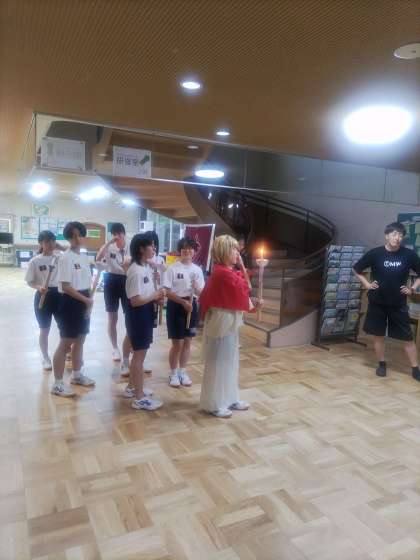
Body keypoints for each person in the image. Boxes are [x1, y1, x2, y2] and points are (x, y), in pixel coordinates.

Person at [199, 234, 262, 417]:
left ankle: (230, 397)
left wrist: (252, 304)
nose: (237, 253)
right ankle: (215, 403)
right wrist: (242, 266)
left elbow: (241, 292)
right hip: (222, 321)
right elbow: (244, 288)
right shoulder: (222, 273)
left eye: (237, 249)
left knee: (230, 361)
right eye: (233, 249)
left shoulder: (226, 271)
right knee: (219, 362)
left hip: (229, 320)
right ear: (223, 251)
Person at [353, 222, 420, 381]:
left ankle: (415, 369)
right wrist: (367, 284)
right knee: (379, 335)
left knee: (407, 338)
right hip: (377, 302)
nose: (397, 238)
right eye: (394, 234)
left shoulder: (409, 255)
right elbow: (356, 269)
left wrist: (412, 288)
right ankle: (382, 364)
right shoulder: (375, 253)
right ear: (387, 235)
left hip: (398, 304)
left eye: (400, 235)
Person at [51, 221, 95, 397]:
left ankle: (76, 375)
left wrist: (88, 301)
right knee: (66, 342)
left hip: (84, 300)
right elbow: (66, 286)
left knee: (80, 339)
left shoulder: (83, 257)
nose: (77, 239)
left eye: (80, 235)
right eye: (73, 236)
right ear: (68, 238)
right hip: (70, 301)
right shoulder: (65, 257)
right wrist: (86, 300)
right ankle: (57, 384)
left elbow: (87, 283)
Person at [124, 233, 165, 411]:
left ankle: (132, 387)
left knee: (140, 354)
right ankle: (139, 398)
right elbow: (135, 300)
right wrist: (155, 295)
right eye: (151, 245)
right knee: (139, 355)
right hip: (138, 315)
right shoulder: (135, 271)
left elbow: (146, 294)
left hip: (146, 312)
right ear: (141, 248)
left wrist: (157, 298)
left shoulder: (145, 267)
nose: (154, 248)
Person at [163, 237, 205, 387]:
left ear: (194, 251)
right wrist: (182, 302)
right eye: (184, 248)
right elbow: (166, 291)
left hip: (192, 306)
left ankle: (182, 371)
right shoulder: (172, 268)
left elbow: (201, 293)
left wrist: (196, 287)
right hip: (176, 306)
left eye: (190, 248)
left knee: (188, 341)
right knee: (178, 344)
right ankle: (173, 373)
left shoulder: (197, 270)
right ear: (180, 250)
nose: (187, 251)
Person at [25, 230, 62, 370]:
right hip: (43, 296)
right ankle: (45, 357)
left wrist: (60, 247)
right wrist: (39, 287)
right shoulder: (35, 261)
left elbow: (72, 253)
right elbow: (30, 281)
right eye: (47, 241)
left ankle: (66, 351)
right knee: (44, 329)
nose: (51, 244)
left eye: (53, 241)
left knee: (63, 327)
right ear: (41, 243)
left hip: (59, 295)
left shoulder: (60, 257)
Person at [96, 223, 131, 368]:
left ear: (124, 233)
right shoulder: (109, 246)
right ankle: (115, 348)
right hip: (111, 280)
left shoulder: (131, 245)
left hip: (127, 280)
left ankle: (130, 344)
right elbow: (98, 258)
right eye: (114, 234)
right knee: (112, 317)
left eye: (119, 233)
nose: (117, 236)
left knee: (130, 315)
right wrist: (108, 243)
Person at [143, 230, 167, 374]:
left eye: (154, 244)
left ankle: (142, 357)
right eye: (150, 244)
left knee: (148, 331)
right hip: (141, 300)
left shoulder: (160, 260)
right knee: (135, 331)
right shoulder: (139, 260)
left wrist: (159, 280)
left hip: (154, 300)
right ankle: (128, 359)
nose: (153, 247)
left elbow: (164, 281)